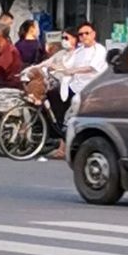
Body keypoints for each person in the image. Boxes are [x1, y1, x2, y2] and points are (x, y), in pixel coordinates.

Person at [35, 29, 78, 159]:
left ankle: (63, 147)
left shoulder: (78, 54)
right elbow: (45, 63)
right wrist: (33, 68)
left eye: (67, 38)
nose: (64, 40)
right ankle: (60, 145)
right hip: (57, 88)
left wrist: (60, 69)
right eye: (63, 38)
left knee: (63, 116)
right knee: (55, 114)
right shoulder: (60, 54)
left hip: (71, 88)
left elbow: (74, 71)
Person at [68, 22, 109, 98]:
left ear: (93, 34)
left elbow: (92, 68)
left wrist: (73, 70)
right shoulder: (78, 51)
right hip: (75, 87)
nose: (84, 36)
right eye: (81, 34)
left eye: (87, 33)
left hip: (91, 90)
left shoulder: (100, 50)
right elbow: (68, 65)